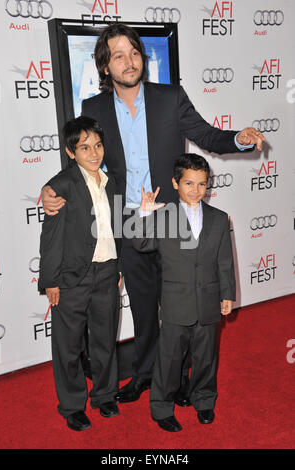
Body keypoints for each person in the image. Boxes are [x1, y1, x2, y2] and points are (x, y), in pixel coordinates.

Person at [41, 23, 265, 406]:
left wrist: (238, 140)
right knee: (143, 307)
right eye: (118, 55)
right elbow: (85, 160)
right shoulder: (93, 109)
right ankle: (146, 375)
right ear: (106, 66)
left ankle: (178, 380)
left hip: (173, 219)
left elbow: (208, 136)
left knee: (183, 307)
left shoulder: (169, 97)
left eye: (133, 52)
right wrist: (51, 189)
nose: (129, 62)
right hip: (127, 221)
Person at [133, 153, 236, 432]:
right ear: (175, 183)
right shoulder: (164, 216)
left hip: (208, 300)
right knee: (169, 358)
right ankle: (162, 407)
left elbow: (224, 261)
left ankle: (204, 400)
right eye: (189, 183)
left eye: (202, 184)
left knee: (206, 356)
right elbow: (141, 243)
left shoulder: (219, 218)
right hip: (176, 302)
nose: (196, 190)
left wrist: (227, 294)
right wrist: (144, 213)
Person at [38, 116, 122, 431]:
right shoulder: (61, 185)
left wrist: (119, 266)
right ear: (71, 151)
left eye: (97, 145)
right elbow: (51, 238)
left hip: (107, 273)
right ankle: (73, 405)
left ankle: (105, 395)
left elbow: (117, 229)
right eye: (84, 147)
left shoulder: (111, 181)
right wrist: (51, 281)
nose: (93, 153)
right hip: (71, 279)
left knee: (104, 340)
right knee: (68, 345)